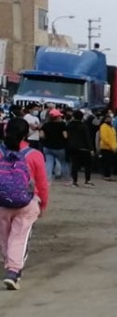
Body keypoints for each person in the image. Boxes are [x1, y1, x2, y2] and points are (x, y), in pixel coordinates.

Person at [0, 118, 50, 290]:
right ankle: (13, 272)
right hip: (27, 203)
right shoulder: (34, 155)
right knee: (19, 237)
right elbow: (42, 184)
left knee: (5, 237)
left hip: (2, 203)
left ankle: (9, 264)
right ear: (26, 134)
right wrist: (42, 204)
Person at [66, 110, 94, 187]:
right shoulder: (83, 126)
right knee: (87, 165)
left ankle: (75, 181)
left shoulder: (69, 125)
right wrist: (91, 148)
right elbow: (87, 137)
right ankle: (87, 180)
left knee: (74, 164)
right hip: (84, 147)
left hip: (72, 147)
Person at [41, 109, 68, 181]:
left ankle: (47, 178)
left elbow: (42, 136)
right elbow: (65, 136)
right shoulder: (62, 125)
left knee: (49, 162)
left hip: (47, 146)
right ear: (57, 117)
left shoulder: (46, 125)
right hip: (59, 147)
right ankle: (65, 177)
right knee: (63, 162)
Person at [96, 115, 117, 183]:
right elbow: (104, 138)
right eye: (107, 119)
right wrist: (111, 146)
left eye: (110, 119)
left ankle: (108, 175)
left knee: (110, 162)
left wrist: (115, 146)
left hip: (112, 147)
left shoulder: (112, 128)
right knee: (106, 162)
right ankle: (106, 176)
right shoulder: (103, 126)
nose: (109, 120)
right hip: (106, 147)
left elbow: (114, 138)